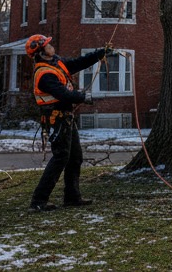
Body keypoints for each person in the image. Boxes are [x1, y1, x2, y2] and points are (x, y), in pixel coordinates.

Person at [26, 34, 114, 211]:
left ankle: (72, 196)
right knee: (61, 157)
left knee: (75, 157)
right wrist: (83, 97)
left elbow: (76, 63)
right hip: (56, 118)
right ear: (42, 52)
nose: (52, 46)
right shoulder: (44, 74)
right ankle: (38, 201)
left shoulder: (56, 63)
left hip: (65, 117)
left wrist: (99, 54)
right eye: (48, 45)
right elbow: (63, 94)